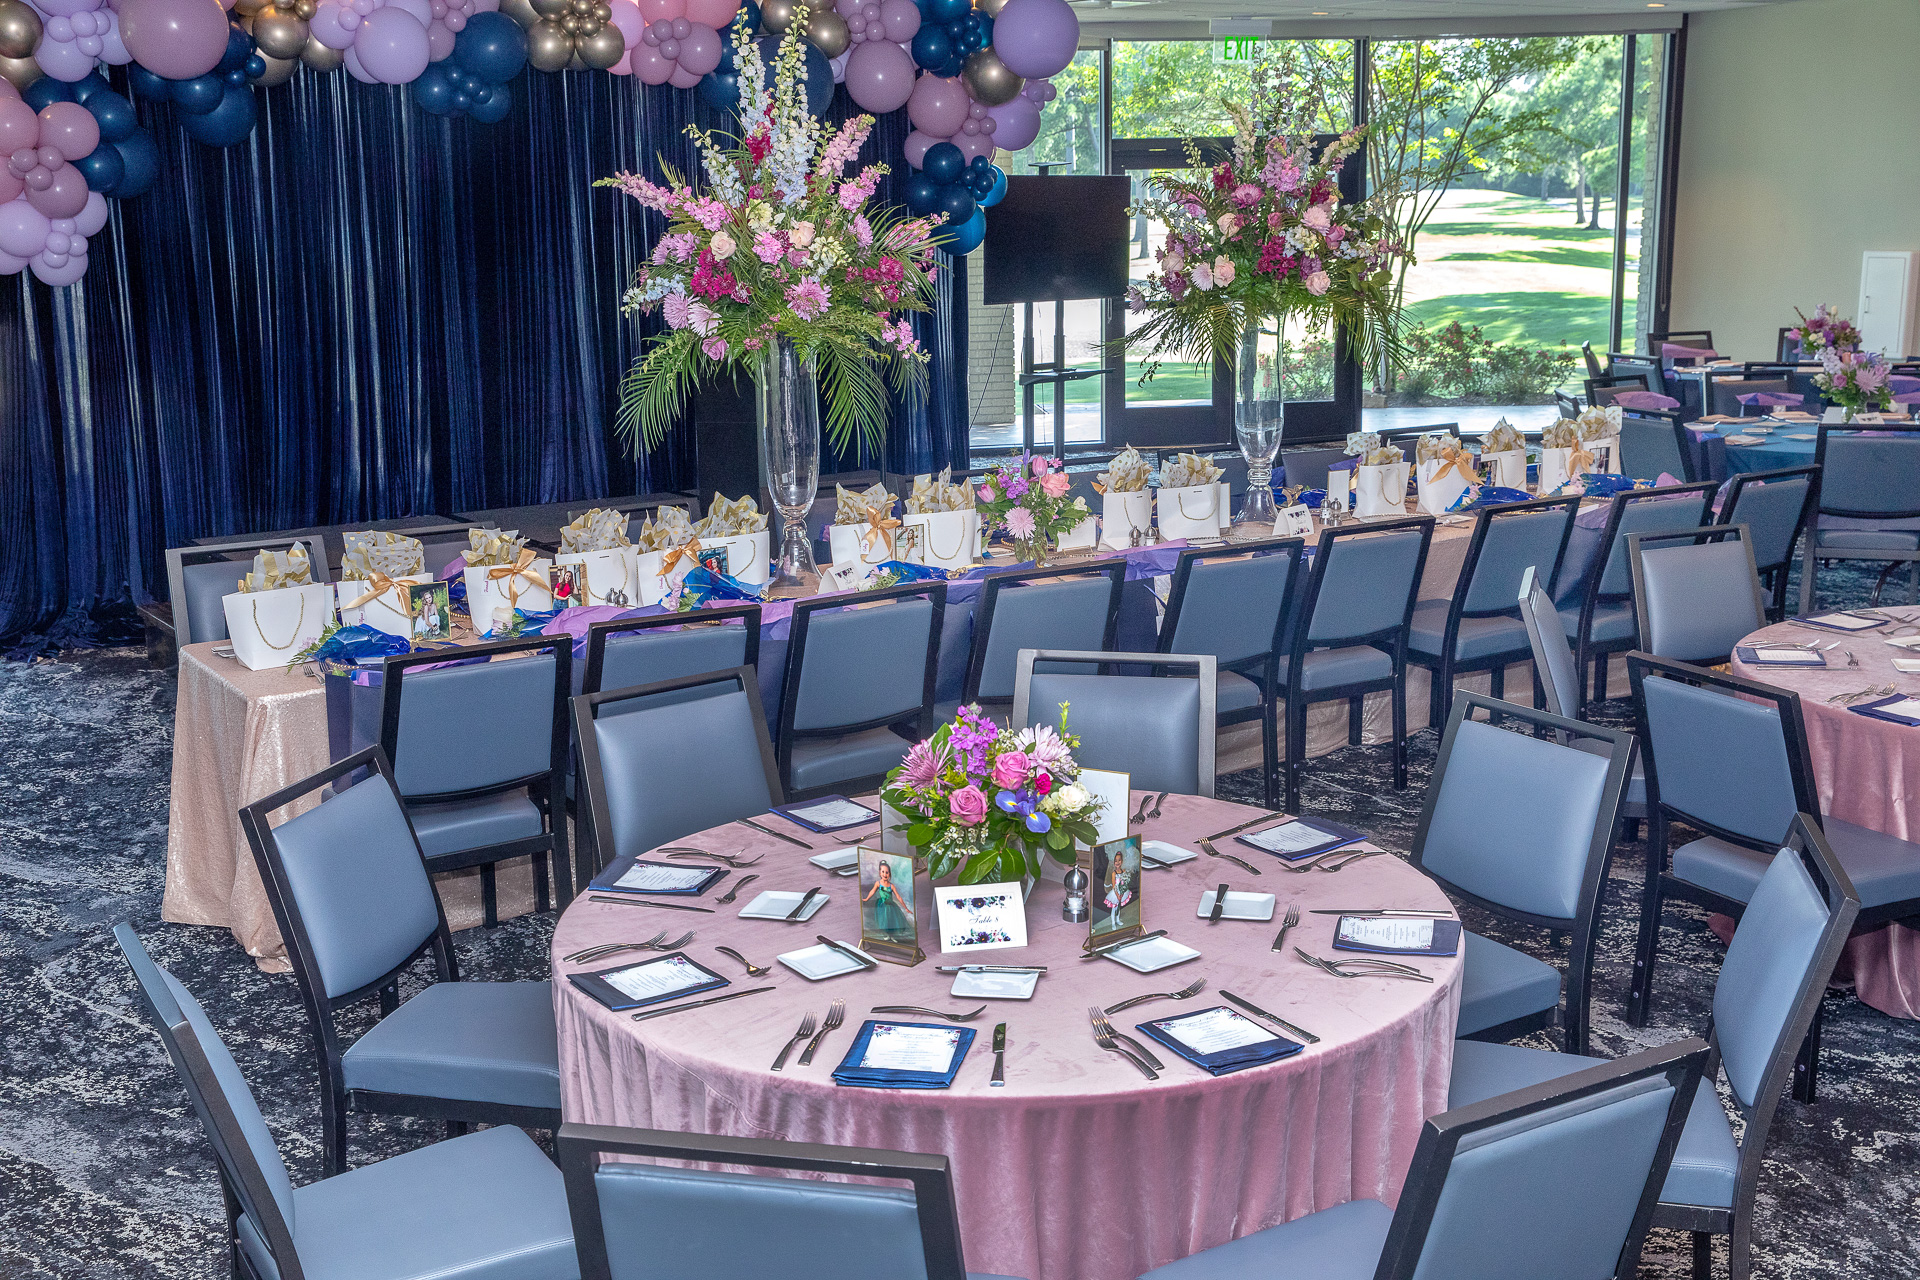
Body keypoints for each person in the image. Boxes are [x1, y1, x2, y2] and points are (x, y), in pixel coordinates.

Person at [863, 859, 914, 941]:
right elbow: (872, 891)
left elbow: (898, 897)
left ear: (889, 874)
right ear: (880, 873)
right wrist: (867, 898)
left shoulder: (891, 885)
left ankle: (892, 936)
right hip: (882, 905)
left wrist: (906, 908)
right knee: (883, 921)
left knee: (892, 921)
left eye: (887, 872)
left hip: (890, 906)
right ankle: (886, 934)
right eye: (883, 872)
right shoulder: (878, 883)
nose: (885, 874)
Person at [1102, 849, 1134, 932]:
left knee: (1118, 908)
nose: (1117, 862)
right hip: (1116, 892)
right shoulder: (1114, 873)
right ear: (1114, 862)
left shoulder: (1123, 871)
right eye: (1116, 861)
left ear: (1122, 861)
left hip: (1122, 891)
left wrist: (1123, 892)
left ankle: (1118, 920)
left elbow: (1125, 882)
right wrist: (1117, 895)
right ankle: (1113, 923)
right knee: (1114, 908)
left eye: (1119, 860)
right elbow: (1114, 885)